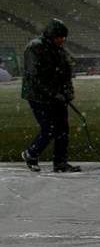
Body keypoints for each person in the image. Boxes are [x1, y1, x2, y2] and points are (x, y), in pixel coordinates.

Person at [21, 19, 80, 173]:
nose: (62, 40)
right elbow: (36, 77)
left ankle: (60, 163)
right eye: (60, 37)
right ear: (52, 35)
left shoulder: (59, 50)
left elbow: (65, 74)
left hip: (57, 96)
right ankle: (31, 154)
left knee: (63, 130)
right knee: (49, 129)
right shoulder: (35, 48)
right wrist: (54, 94)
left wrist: (67, 93)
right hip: (38, 97)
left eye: (64, 38)